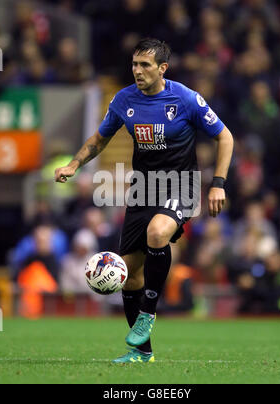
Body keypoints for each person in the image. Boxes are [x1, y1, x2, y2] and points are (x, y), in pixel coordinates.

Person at [54, 38, 234, 363]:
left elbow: (225, 136)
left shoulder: (185, 99)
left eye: (145, 65)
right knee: (129, 273)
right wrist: (74, 164)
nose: (137, 71)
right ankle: (141, 352)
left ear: (162, 68)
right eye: (134, 64)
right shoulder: (124, 100)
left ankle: (149, 311)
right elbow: (99, 139)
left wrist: (218, 184)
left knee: (157, 233)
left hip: (182, 185)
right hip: (143, 190)